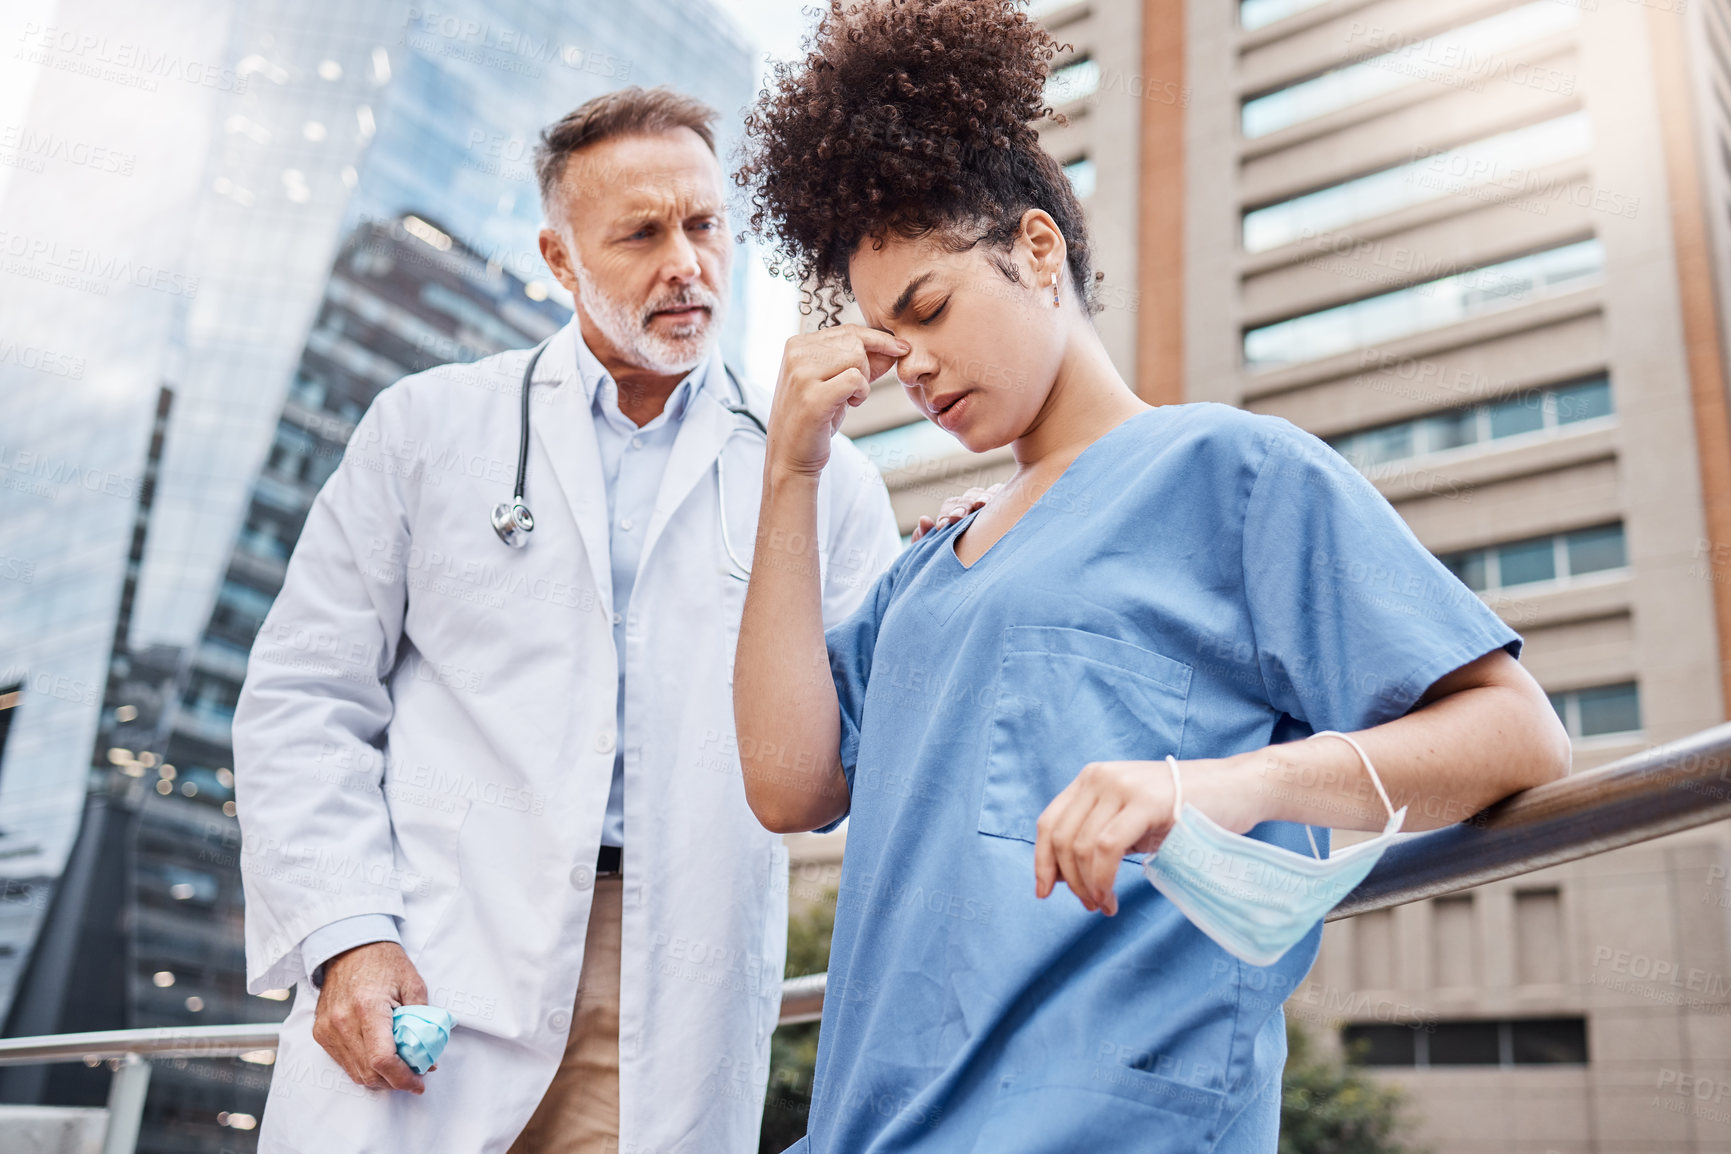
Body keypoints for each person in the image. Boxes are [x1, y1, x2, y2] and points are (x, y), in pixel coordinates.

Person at [730, 3, 1573, 1151]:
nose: (912, 366)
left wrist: (1223, 788)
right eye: (886, 340)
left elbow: (1517, 735)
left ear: (1038, 250)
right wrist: (792, 469)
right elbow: (788, 786)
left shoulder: (1231, 472)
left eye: (928, 308)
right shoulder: (927, 571)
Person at [233, 87, 910, 1153]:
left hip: (674, 977)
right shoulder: (427, 428)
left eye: (703, 224)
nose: (684, 262)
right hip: (435, 946)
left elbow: (872, 752)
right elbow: (303, 694)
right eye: (640, 234)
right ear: (558, 258)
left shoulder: (829, 484)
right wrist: (348, 934)